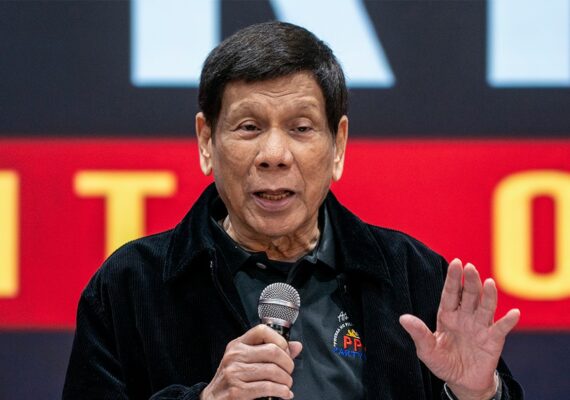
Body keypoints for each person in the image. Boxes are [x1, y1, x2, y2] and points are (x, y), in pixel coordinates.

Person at [63, 21, 523, 399]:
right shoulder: (130, 286)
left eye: (301, 128)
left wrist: (476, 394)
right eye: (249, 127)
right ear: (206, 141)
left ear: (338, 144)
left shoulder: (413, 276)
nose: (274, 155)